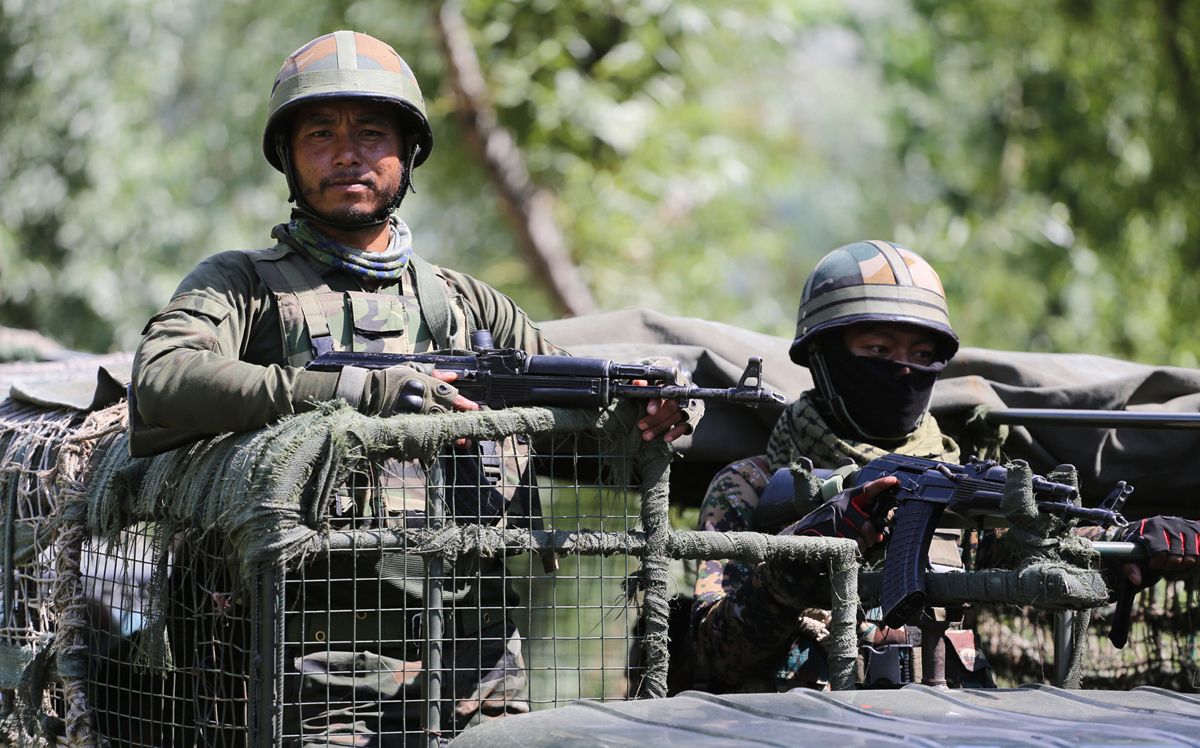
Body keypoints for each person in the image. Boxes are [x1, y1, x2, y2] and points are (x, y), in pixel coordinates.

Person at [132, 31, 696, 746]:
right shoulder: (244, 285)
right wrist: (357, 394)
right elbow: (163, 381)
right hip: (313, 655)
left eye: (371, 132)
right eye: (320, 134)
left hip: (477, 656)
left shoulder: (467, 306)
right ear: (288, 156)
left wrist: (655, 419)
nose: (347, 153)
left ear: (406, 152)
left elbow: (582, 433)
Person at [690, 240, 1200, 692]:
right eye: (878, 350)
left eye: (921, 353)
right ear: (822, 356)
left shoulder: (958, 481)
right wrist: (807, 551)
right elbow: (716, 654)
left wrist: (1135, 544)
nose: (904, 367)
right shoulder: (750, 488)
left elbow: (1042, 550)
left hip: (944, 717)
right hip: (800, 721)